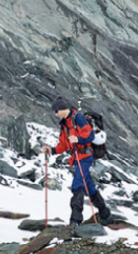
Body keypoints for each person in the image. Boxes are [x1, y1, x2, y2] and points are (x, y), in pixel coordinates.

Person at [42, 97, 111, 226]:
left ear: (64, 109)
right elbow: (63, 145)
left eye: (56, 111)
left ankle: (75, 220)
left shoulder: (78, 118)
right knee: (88, 187)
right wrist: (51, 150)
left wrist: (78, 139)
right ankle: (105, 213)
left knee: (77, 185)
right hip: (77, 158)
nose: (55, 114)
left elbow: (89, 135)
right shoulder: (64, 125)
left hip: (86, 156)